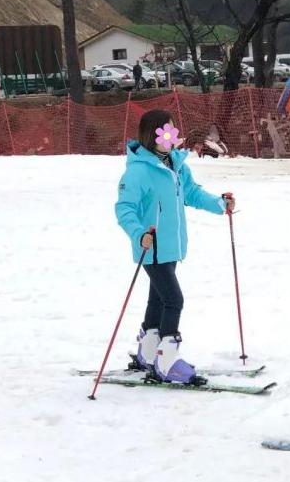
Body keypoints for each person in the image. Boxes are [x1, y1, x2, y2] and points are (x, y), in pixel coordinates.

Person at [115, 109, 235, 384]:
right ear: (152, 135)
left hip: (171, 247)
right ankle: (166, 360)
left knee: (158, 300)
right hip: (152, 247)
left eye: (173, 131)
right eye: (165, 132)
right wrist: (138, 234)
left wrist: (220, 204)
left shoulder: (177, 165)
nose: (171, 137)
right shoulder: (138, 172)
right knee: (173, 300)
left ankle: (148, 352)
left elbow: (192, 193)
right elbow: (124, 208)